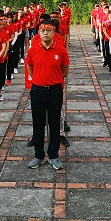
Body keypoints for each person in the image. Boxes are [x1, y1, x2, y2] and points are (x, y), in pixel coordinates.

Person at [26, 19, 70, 170]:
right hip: (38, 89)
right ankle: (38, 155)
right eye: (43, 30)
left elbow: (64, 71)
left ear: (53, 32)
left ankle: (53, 155)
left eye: (49, 31)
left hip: (55, 90)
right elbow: (30, 68)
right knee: (38, 123)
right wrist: (40, 79)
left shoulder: (61, 50)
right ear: (38, 32)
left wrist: (53, 79)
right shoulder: (32, 50)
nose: (45, 33)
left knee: (54, 123)